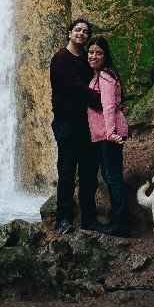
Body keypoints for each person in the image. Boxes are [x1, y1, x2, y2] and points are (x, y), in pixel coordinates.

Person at [49, 17, 102, 234]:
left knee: (89, 174)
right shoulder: (60, 58)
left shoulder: (88, 61)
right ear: (70, 32)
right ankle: (63, 219)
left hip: (87, 125)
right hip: (66, 125)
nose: (81, 33)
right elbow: (73, 87)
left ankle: (89, 219)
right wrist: (98, 99)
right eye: (77, 30)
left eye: (85, 31)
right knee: (67, 173)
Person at [87, 36, 130, 237]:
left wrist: (111, 132)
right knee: (110, 176)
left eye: (99, 53)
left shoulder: (104, 76)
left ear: (105, 56)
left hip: (109, 135)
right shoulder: (97, 76)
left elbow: (109, 106)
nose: (94, 56)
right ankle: (117, 220)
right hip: (103, 134)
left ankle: (121, 224)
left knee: (113, 177)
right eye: (91, 52)